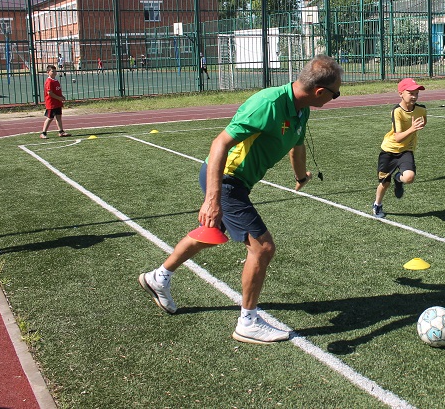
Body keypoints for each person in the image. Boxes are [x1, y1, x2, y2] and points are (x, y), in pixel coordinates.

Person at [138, 55, 343, 344]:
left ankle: (159, 277)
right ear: (320, 92)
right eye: (337, 92)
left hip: (238, 183)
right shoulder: (268, 104)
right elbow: (220, 142)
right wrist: (213, 199)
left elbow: (296, 146)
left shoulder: (301, 109)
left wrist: (300, 176)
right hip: (225, 179)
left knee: (210, 233)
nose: (337, 97)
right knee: (263, 248)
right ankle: (248, 321)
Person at [372, 78, 427, 218]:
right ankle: (377, 205)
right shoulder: (397, 111)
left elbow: (424, 120)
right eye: (411, 93)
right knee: (384, 184)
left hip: (406, 150)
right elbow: (397, 138)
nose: (414, 96)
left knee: (409, 177)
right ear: (401, 93)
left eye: (416, 93)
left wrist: (419, 125)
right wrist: (413, 129)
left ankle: (398, 178)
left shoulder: (421, 109)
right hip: (389, 150)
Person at [40, 64, 70, 139]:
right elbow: (49, 93)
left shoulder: (56, 81)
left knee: (59, 117)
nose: (54, 72)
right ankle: (43, 133)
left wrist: (61, 96)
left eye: (55, 71)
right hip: (51, 103)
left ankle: (61, 131)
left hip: (57, 103)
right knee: (50, 118)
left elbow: (57, 91)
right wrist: (58, 98)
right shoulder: (49, 81)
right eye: (52, 71)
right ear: (48, 72)